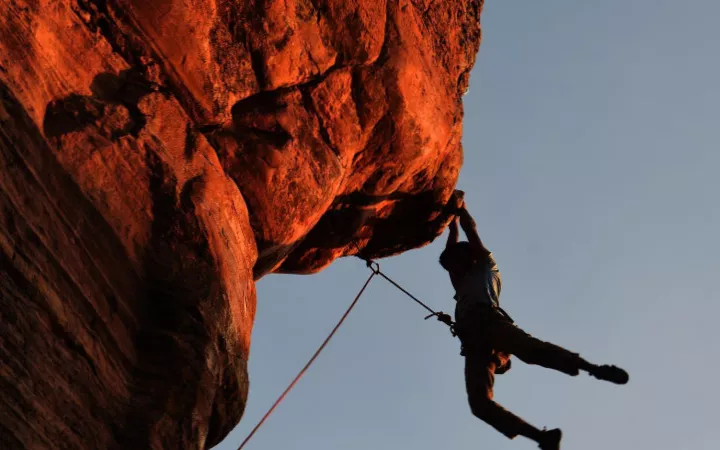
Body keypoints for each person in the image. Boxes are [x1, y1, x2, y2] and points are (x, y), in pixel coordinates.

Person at [440, 191, 629, 450]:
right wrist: (450, 224)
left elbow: (470, 231)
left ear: (467, 259)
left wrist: (460, 209)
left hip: (489, 322)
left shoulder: (485, 266)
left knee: (531, 350)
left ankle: (593, 368)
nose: (452, 270)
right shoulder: (461, 282)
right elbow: (452, 250)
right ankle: (542, 438)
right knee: (479, 404)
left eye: (455, 264)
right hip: (474, 342)